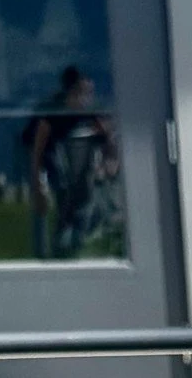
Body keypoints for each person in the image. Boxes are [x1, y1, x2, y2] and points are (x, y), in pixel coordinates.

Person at [24, 67, 120, 258]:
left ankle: (72, 241)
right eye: (82, 93)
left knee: (78, 195)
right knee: (57, 192)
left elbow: (106, 134)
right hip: (41, 150)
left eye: (89, 93)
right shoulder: (53, 111)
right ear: (71, 91)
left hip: (64, 152)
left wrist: (110, 159)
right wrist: (37, 181)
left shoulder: (86, 108)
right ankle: (48, 248)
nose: (87, 98)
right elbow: (38, 149)